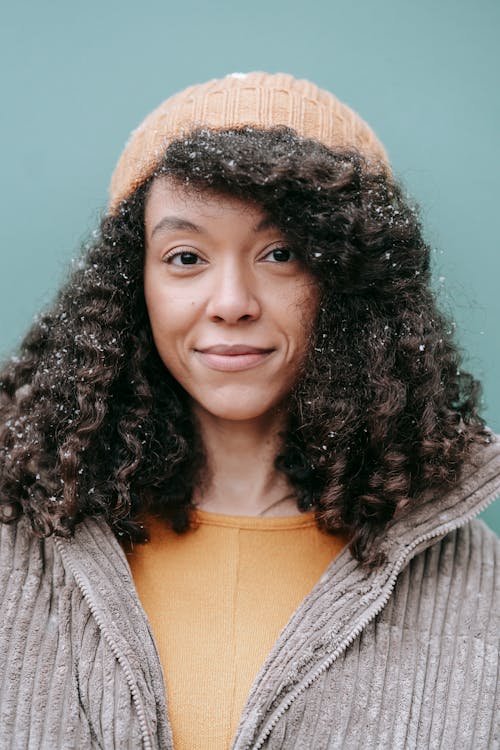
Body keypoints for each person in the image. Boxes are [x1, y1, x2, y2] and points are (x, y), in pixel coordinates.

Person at [0, 71, 498, 750]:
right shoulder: (17, 548)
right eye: (185, 257)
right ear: (130, 286)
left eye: (281, 254)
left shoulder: (477, 582)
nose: (231, 300)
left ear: (351, 282)